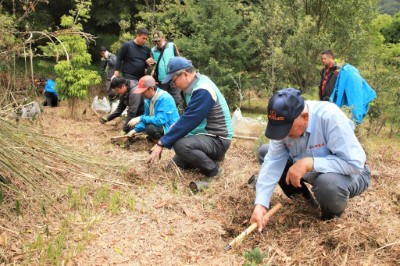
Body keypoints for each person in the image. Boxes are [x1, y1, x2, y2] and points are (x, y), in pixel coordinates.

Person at [250, 88, 370, 231]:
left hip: (351, 174)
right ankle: (306, 204)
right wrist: (261, 203)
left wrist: (310, 163)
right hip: (312, 174)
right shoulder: (284, 124)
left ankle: (329, 218)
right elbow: (273, 161)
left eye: (288, 129)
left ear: (305, 117)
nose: (284, 135)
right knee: (265, 151)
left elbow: (355, 164)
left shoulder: (330, 117)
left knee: (327, 184)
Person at [148, 57, 233, 178]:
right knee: (174, 166)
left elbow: (189, 120)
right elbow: (187, 117)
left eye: (174, 80)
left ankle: (214, 171)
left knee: (181, 146)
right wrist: (174, 128)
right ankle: (206, 157)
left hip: (217, 140)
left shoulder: (203, 89)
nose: (174, 85)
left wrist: (162, 142)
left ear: (185, 74)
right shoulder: (191, 88)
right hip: (204, 136)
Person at [125, 75, 179, 142]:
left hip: (170, 128)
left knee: (150, 128)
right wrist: (135, 130)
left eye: (143, 92)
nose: (142, 94)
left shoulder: (165, 98)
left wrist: (140, 118)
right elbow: (147, 118)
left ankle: (163, 143)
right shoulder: (148, 100)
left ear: (151, 89)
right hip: (161, 126)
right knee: (146, 126)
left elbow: (160, 120)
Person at [148, 31, 184, 114]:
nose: (157, 43)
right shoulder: (153, 50)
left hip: (174, 77)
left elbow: (179, 59)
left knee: (177, 98)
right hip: (161, 80)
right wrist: (149, 64)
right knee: (163, 99)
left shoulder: (171, 46)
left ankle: (180, 117)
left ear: (163, 38)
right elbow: (153, 66)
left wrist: (180, 74)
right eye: (155, 41)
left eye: (159, 40)